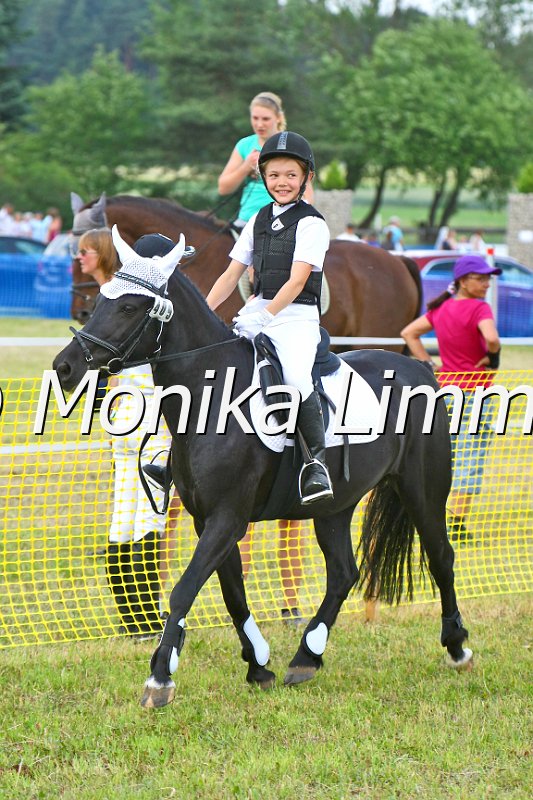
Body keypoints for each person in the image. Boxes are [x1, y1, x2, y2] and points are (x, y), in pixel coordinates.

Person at [207, 131, 333, 506]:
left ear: (306, 178)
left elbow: (297, 280)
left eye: (290, 174)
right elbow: (231, 274)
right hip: (257, 309)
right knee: (217, 368)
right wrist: (202, 311)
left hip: (296, 316)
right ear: (263, 177)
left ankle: (316, 463)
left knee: (294, 377)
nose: (281, 182)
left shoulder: (313, 224)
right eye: (274, 174)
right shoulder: (258, 219)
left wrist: (264, 316)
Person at [77, 228, 179, 638]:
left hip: (122, 415)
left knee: (123, 515)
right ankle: (146, 617)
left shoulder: (121, 300)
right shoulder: (155, 309)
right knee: (148, 517)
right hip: (148, 413)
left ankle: (132, 618)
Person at [401, 254, 501, 542]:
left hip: (444, 391)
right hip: (476, 394)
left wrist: (430, 365)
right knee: (471, 456)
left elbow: (409, 333)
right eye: (480, 278)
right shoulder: (480, 309)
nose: (486, 283)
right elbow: (492, 338)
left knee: (443, 455)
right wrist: (493, 356)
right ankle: (455, 524)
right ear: (463, 281)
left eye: (487, 278)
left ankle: (433, 514)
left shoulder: (441, 308)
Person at [218, 92, 288, 229]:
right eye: (255, 118)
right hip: (246, 221)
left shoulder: (291, 144)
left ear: (278, 118)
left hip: (281, 223)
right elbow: (223, 188)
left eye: (266, 119)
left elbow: (307, 193)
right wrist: (246, 167)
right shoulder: (244, 145)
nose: (259, 124)